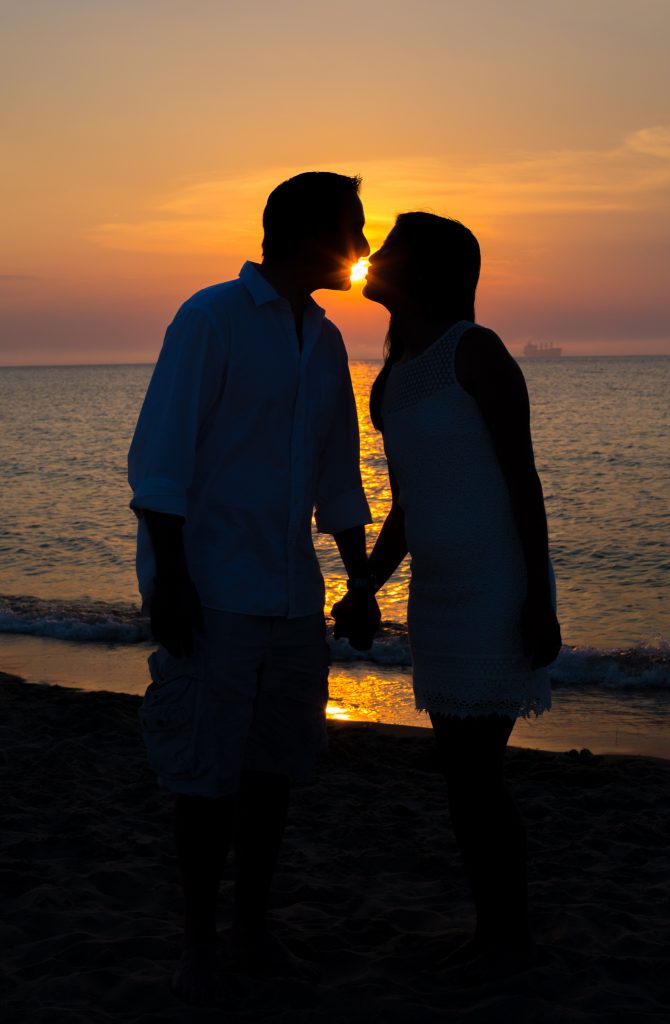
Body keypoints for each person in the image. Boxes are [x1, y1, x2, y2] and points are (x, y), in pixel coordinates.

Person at [128, 171, 379, 1005]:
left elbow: (338, 475)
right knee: (206, 774)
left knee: (274, 769)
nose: (364, 244)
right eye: (352, 227)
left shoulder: (326, 338)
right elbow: (161, 460)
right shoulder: (210, 319)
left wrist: (360, 581)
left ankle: (254, 929)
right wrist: (170, 582)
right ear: (304, 232)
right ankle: (199, 941)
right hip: (213, 589)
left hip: (290, 596)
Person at [332, 212, 561, 976]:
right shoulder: (393, 377)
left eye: (388, 249)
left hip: (494, 591)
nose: (371, 259)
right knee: (461, 778)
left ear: (427, 270)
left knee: (476, 777)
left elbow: (520, 482)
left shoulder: (478, 353)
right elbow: (407, 501)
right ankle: (494, 932)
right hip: (434, 600)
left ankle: (507, 936)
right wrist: (366, 582)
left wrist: (539, 599)